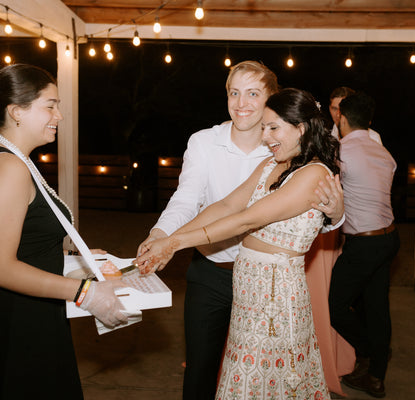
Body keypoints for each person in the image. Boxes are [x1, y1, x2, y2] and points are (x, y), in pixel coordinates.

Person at [136, 61, 344, 400]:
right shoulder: (234, 151)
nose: (241, 102)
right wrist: (163, 236)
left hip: (273, 293)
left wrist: (175, 243)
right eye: (234, 92)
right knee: (218, 372)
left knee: (270, 381)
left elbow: (247, 219)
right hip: (218, 274)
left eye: (252, 94)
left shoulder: (296, 161)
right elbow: (221, 205)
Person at [0, 64, 128, 399]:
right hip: (17, 323)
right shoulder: (8, 167)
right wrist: (85, 291)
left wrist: (74, 257)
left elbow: (22, 242)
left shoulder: (17, 159)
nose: (59, 116)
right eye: (50, 105)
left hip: (33, 311)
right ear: (17, 112)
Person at [328, 92, 400, 398]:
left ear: (342, 119)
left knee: (335, 305)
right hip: (390, 238)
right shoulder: (384, 153)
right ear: (369, 121)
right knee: (377, 308)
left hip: (364, 244)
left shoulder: (341, 151)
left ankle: (371, 350)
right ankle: (376, 377)